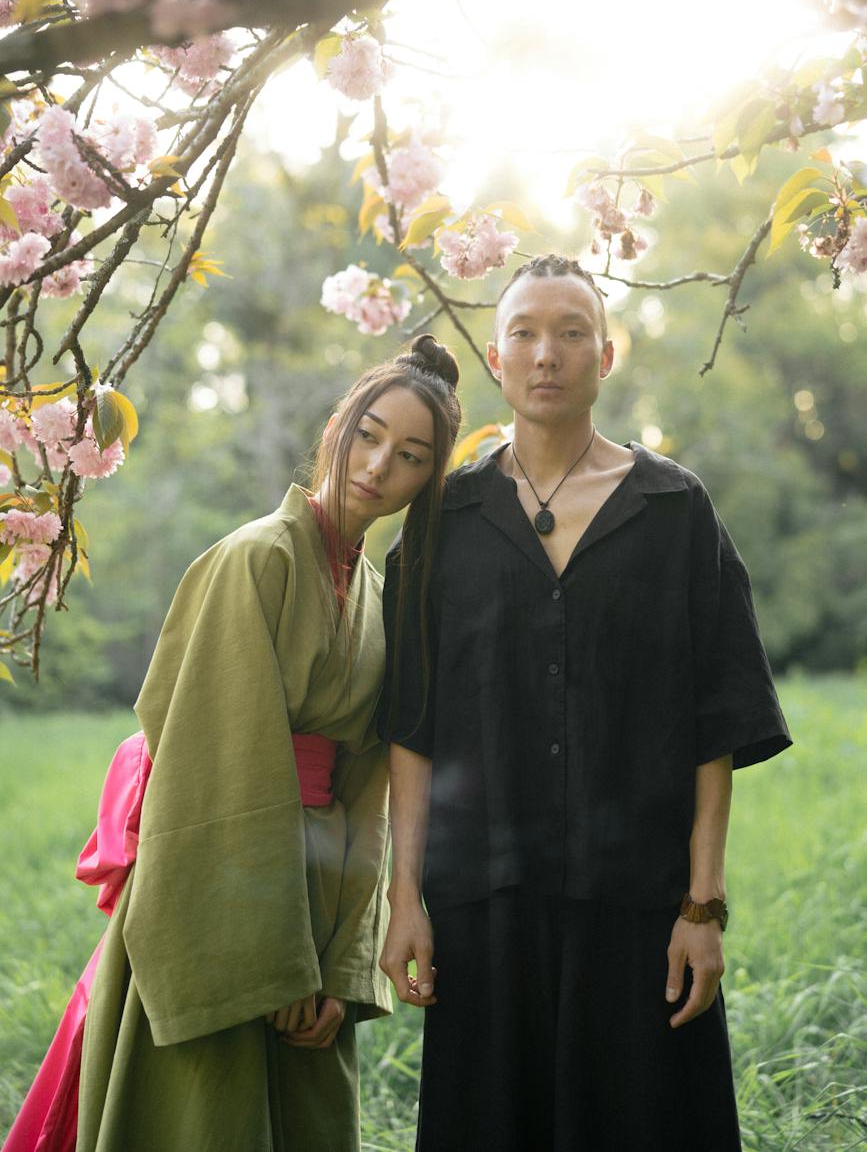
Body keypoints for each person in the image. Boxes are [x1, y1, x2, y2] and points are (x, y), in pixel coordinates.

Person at [3, 334, 461, 1152]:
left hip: (313, 905)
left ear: (428, 480)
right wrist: (269, 965)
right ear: (336, 427)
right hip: (219, 899)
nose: (378, 464)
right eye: (368, 434)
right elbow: (214, 769)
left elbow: (367, 788)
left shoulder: (379, 597)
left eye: (411, 456)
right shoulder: (257, 559)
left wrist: (334, 968)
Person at [376, 256, 792, 1152]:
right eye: (523, 332)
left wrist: (701, 907)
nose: (546, 354)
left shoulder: (675, 511)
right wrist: (403, 900)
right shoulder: (440, 524)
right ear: (494, 358)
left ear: (606, 355)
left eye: (570, 332)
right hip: (484, 908)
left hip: (638, 908)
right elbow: (412, 733)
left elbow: (711, 728)